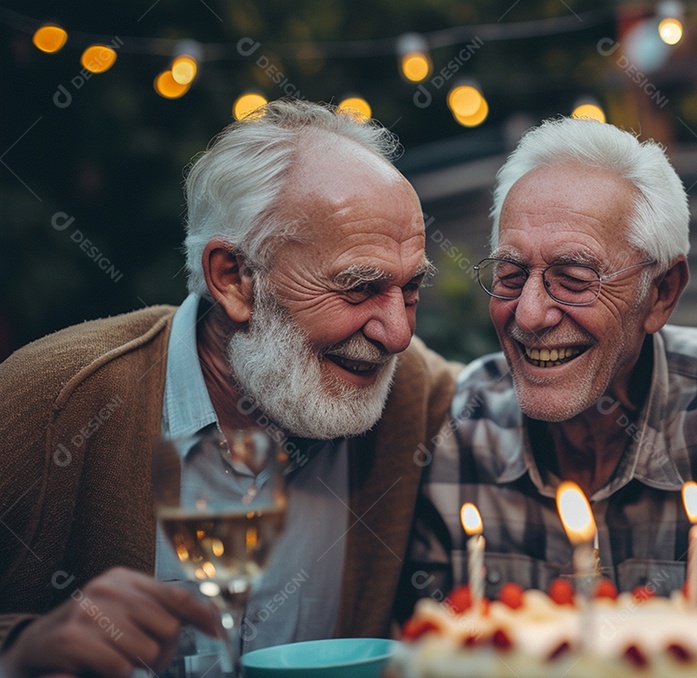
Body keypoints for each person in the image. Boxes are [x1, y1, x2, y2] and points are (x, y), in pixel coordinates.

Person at [0, 99, 459, 677]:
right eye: (358, 288)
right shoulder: (54, 401)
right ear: (234, 278)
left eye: (411, 289)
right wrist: (21, 650)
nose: (397, 333)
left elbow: (521, 398)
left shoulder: (413, 397)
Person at [399, 117, 697, 614]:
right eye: (511, 276)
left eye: (574, 279)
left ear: (661, 293)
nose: (530, 315)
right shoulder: (465, 428)